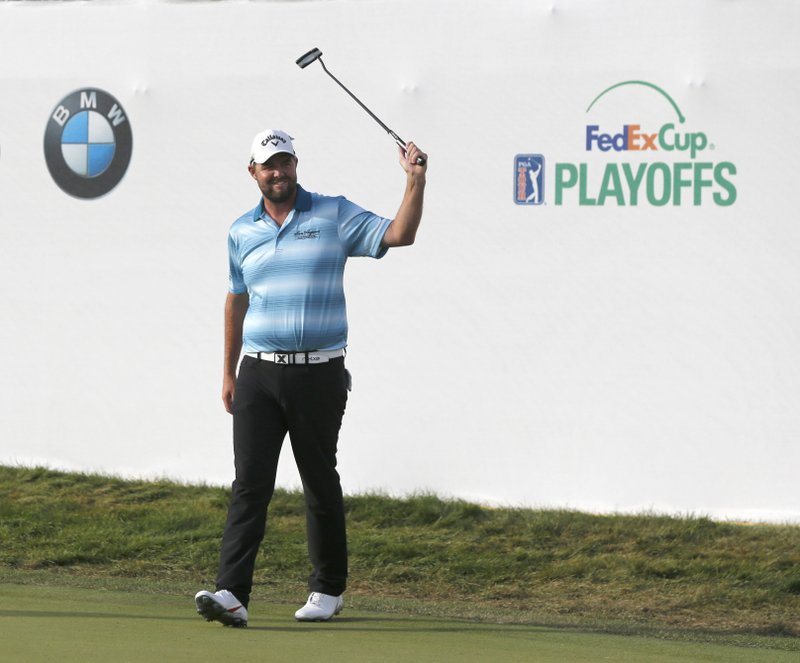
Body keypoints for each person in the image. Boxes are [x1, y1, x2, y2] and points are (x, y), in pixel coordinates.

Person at [195, 128, 427, 627]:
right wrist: (229, 370)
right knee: (249, 485)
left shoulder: (333, 214)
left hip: (319, 371)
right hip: (258, 373)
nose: (278, 172)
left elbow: (399, 234)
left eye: (286, 162)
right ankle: (232, 593)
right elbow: (236, 299)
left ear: (296, 165)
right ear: (253, 172)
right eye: (268, 165)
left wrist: (414, 183)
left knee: (318, 480)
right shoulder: (241, 231)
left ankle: (328, 588)